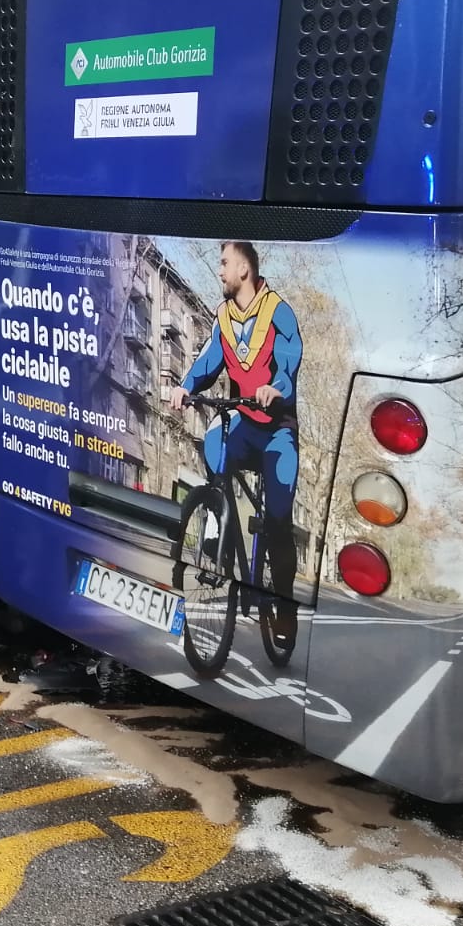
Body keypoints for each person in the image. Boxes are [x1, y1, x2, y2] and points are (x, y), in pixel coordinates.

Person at [168, 240, 303, 648]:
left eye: (224, 263)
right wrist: (185, 387)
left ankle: (284, 609)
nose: (220, 271)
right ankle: (221, 526)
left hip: (278, 431)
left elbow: (289, 362)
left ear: (245, 269)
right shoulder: (224, 317)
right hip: (244, 422)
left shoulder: (278, 311)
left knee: (278, 523)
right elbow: (209, 361)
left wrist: (274, 387)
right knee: (214, 442)